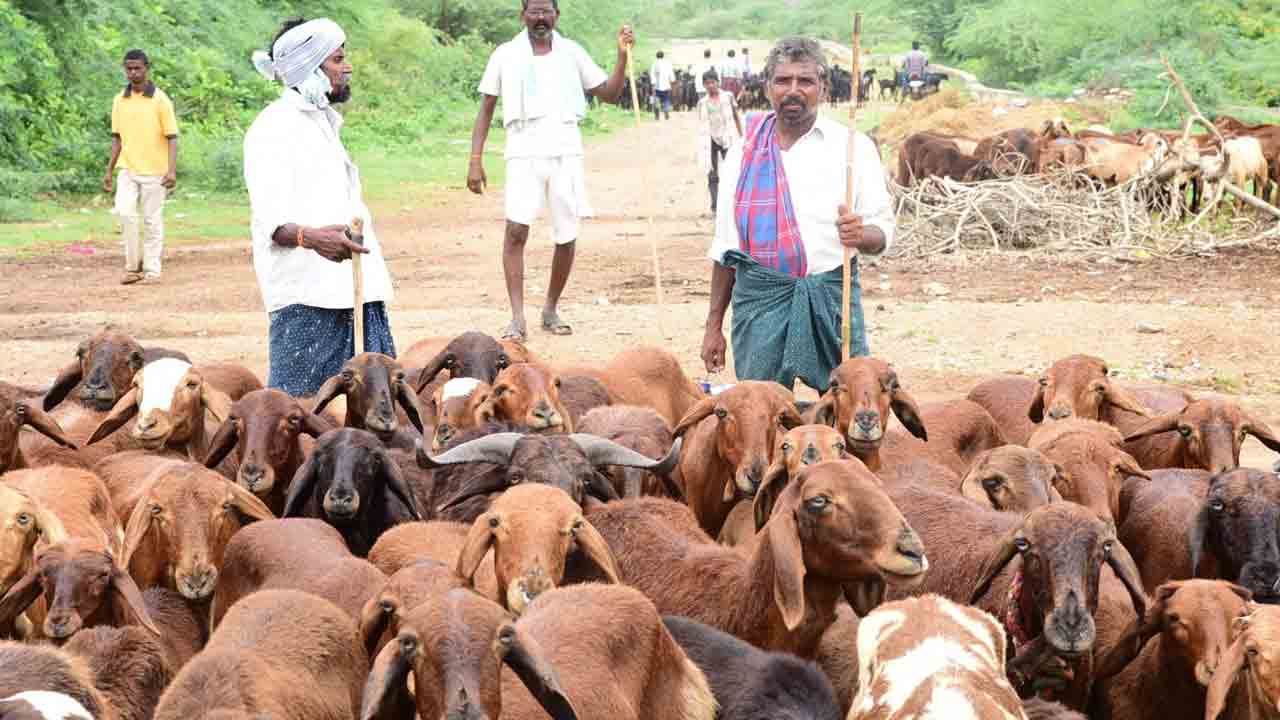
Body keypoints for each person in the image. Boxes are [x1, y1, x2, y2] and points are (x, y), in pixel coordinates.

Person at [701, 37, 895, 393]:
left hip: (832, 298)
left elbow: (882, 231)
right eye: (782, 80)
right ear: (767, 87)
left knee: (847, 404)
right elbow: (726, 248)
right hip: (761, 300)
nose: (793, 90)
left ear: (823, 87)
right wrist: (713, 326)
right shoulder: (743, 153)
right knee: (761, 411)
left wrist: (861, 235)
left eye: (805, 80)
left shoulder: (853, 147)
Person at [244, 17, 397, 397]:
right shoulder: (273, 127)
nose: (347, 68)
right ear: (308, 68)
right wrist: (312, 238)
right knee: (302, 415)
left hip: (356, 291)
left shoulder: (323, 122)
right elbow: (271, 222)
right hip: (308, 300)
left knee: (374, 413)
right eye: (337, 60)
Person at [467, 0, 634, 342]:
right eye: (534, 11)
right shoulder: (505, 54)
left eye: (546, 11)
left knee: (566, 234)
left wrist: (621, 56)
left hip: (566, 153)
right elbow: (486, 107)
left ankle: (550, 309)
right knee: (516, 231)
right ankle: (517, 318)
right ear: (523, 15)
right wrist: (475, 158)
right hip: (522, 152)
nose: (540, 18)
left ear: (557, 15)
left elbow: (610, 93)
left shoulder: (572, 52)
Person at [104, 49, 178, 286]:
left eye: (137, 68)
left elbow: (172, 137)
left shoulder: (160, 100)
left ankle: (152, 271)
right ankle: (133, 267)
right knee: (125, 214)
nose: (133, 73)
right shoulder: (120, 100)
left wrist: (171, 170)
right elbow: (117, 138)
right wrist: (109, 170)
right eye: (129, 69)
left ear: (147, 68)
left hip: (156, 172)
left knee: (151, 220)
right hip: (127, 168)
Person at [696, 71, 742, 215]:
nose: (710, 86)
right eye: (707, 83)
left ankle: (733, 204)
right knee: (712, 174)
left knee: (731, 171)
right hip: (710, 139)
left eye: (713, 82)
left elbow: (736, 116)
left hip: (727, 137)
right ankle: (715, 206)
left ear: (718, 82)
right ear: (704, 85)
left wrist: (741, 136)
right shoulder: (702, 103)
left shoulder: (728, 97)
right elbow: (702, 123)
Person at [650, 50, 675, 121]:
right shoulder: (667, 64)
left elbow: (652, 75)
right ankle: (666, 112)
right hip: (666, 86)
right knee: (666, 99)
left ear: (656, 56)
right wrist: (672, 80)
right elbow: (671, 74)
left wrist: (653, 84)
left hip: (657, 86)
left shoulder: (654, 64)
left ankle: (657, 116)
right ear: (663, 56)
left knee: (656, 100)